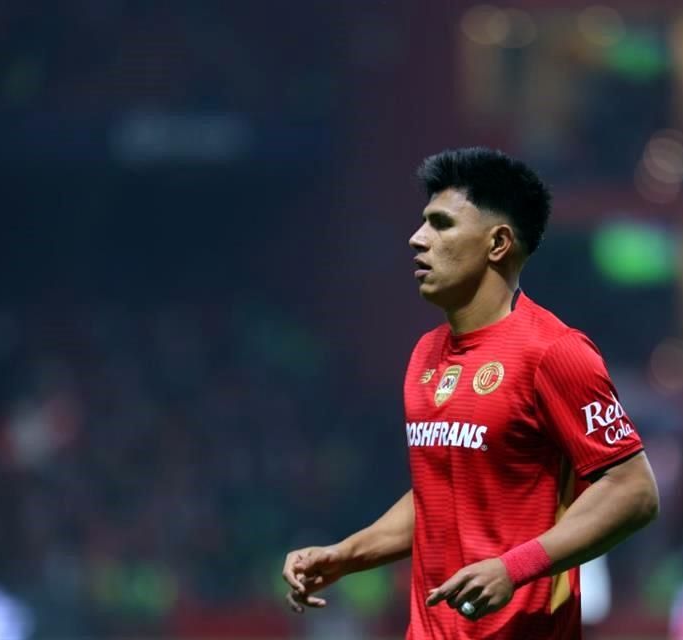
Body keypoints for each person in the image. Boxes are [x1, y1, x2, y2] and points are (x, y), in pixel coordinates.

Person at [282, 148, 659, 639]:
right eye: (424, 222)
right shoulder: (425, 354)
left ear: (498, 243)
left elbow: (633, 491)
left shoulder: (554, 353)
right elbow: (440, 495)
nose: (418, 238)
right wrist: (347, 554)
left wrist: (513, 569)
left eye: (441, 224)